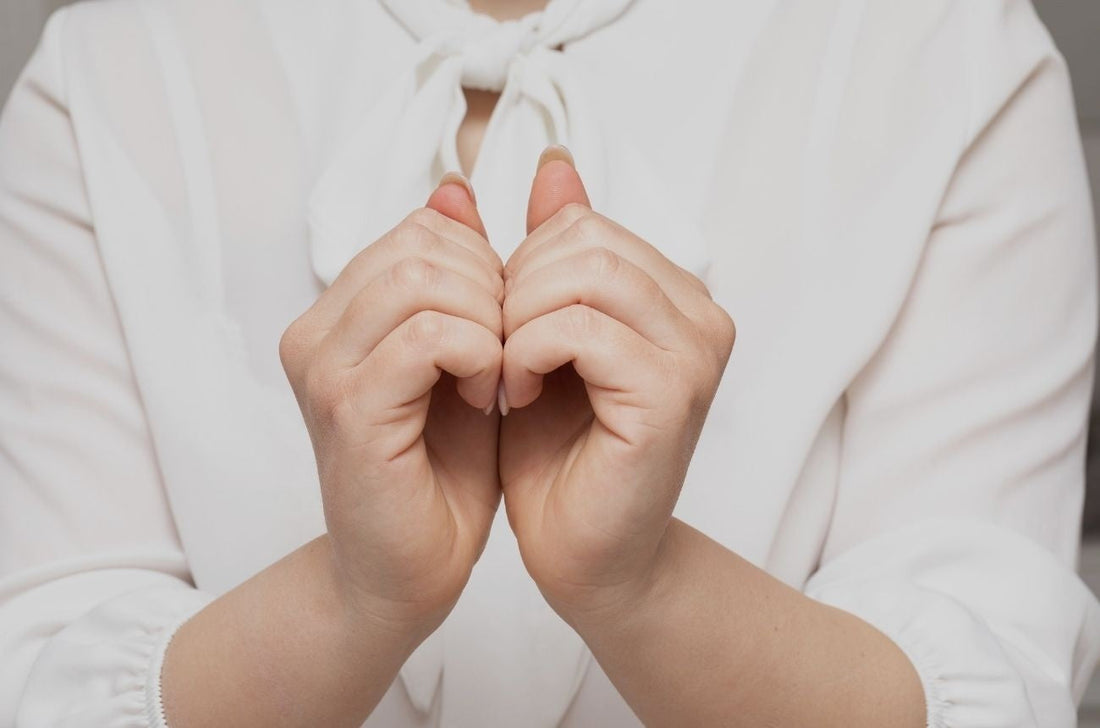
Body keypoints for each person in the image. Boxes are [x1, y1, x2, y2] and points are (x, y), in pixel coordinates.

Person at [1, 0, 1097, 725]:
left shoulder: (948, 51)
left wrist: (640, 583)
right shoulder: (113, 61)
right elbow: (39, 676)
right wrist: (353, 597)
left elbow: (998, 683)